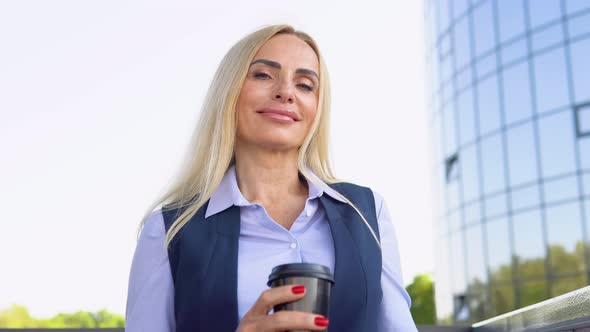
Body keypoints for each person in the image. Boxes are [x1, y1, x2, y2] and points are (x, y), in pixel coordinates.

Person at [125, 24, 418, 332]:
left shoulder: (368, 212)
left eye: (305, 85)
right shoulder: (169, 231)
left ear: (318, 108)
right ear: (230, 91)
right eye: (263, 75)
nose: (286, 92)